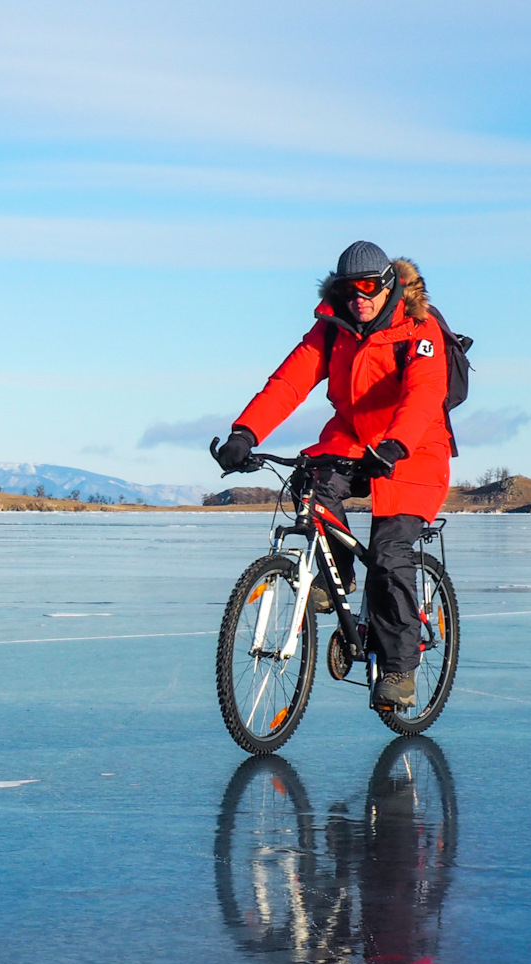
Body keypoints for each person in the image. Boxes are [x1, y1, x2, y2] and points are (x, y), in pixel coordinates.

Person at [212, 241, 452, 711]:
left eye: (367, 287)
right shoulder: (331, 329)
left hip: (414, 447)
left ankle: (400, 668)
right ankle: (338, 573)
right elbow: (288, 383)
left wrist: (396, 444)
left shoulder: (418, 328)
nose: (357, 298)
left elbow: (424, 395)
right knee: (310, 483)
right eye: (347, 289)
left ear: (387, 285)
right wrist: (244, 432)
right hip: (352, 438)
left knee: (389, 552)